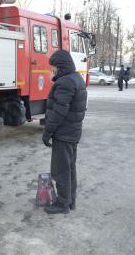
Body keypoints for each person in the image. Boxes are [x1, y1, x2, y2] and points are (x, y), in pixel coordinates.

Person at [42, 49, 87, 214]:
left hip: (64, 133)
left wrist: (47, 133)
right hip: (72, 132)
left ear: (60, 66)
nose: (51, 70)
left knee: (61, 170)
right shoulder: (76, 79)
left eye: (53, 67)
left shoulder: (65, 82)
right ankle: (70, 200)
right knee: (69, 168)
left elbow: (58, 112)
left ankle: (62, 204)